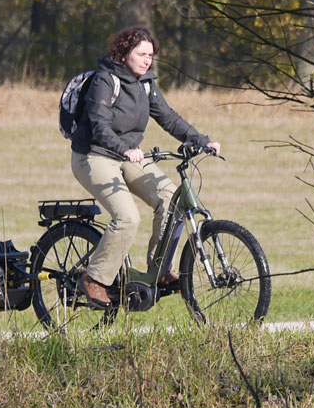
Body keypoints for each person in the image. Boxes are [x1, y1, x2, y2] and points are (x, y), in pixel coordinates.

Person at [70, 26, 221, 309]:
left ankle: (159, 269)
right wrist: (124, 148)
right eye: (141, 54)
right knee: (128, 218)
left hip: (128, 157)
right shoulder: (106, 80)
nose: (146, 60)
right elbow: (98, 125)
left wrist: (202, 141)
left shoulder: (146, 84)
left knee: (169, 198)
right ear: (124, 53)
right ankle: (94, 279)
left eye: (150, 55)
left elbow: (169, 118)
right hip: (94, 156)